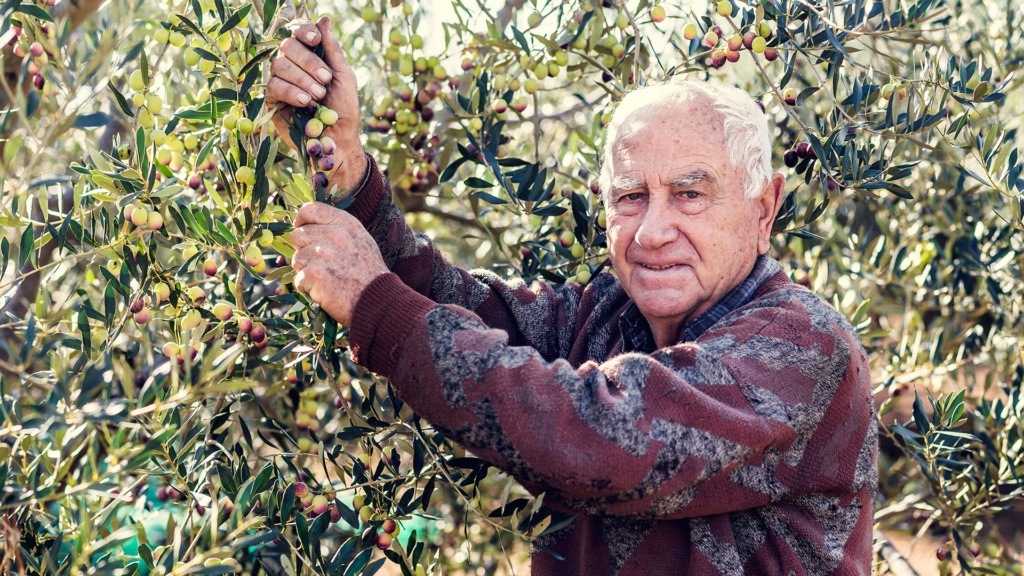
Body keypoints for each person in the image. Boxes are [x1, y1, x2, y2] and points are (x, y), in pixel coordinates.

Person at [266, 17, 877, 576]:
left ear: (764, 208)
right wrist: (344, 164)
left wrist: (374, 303)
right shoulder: (604, 316)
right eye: (630, 196)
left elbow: (598, 437)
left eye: (690, 194)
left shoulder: (803, 346)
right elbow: (460, 306)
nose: (652, 231)